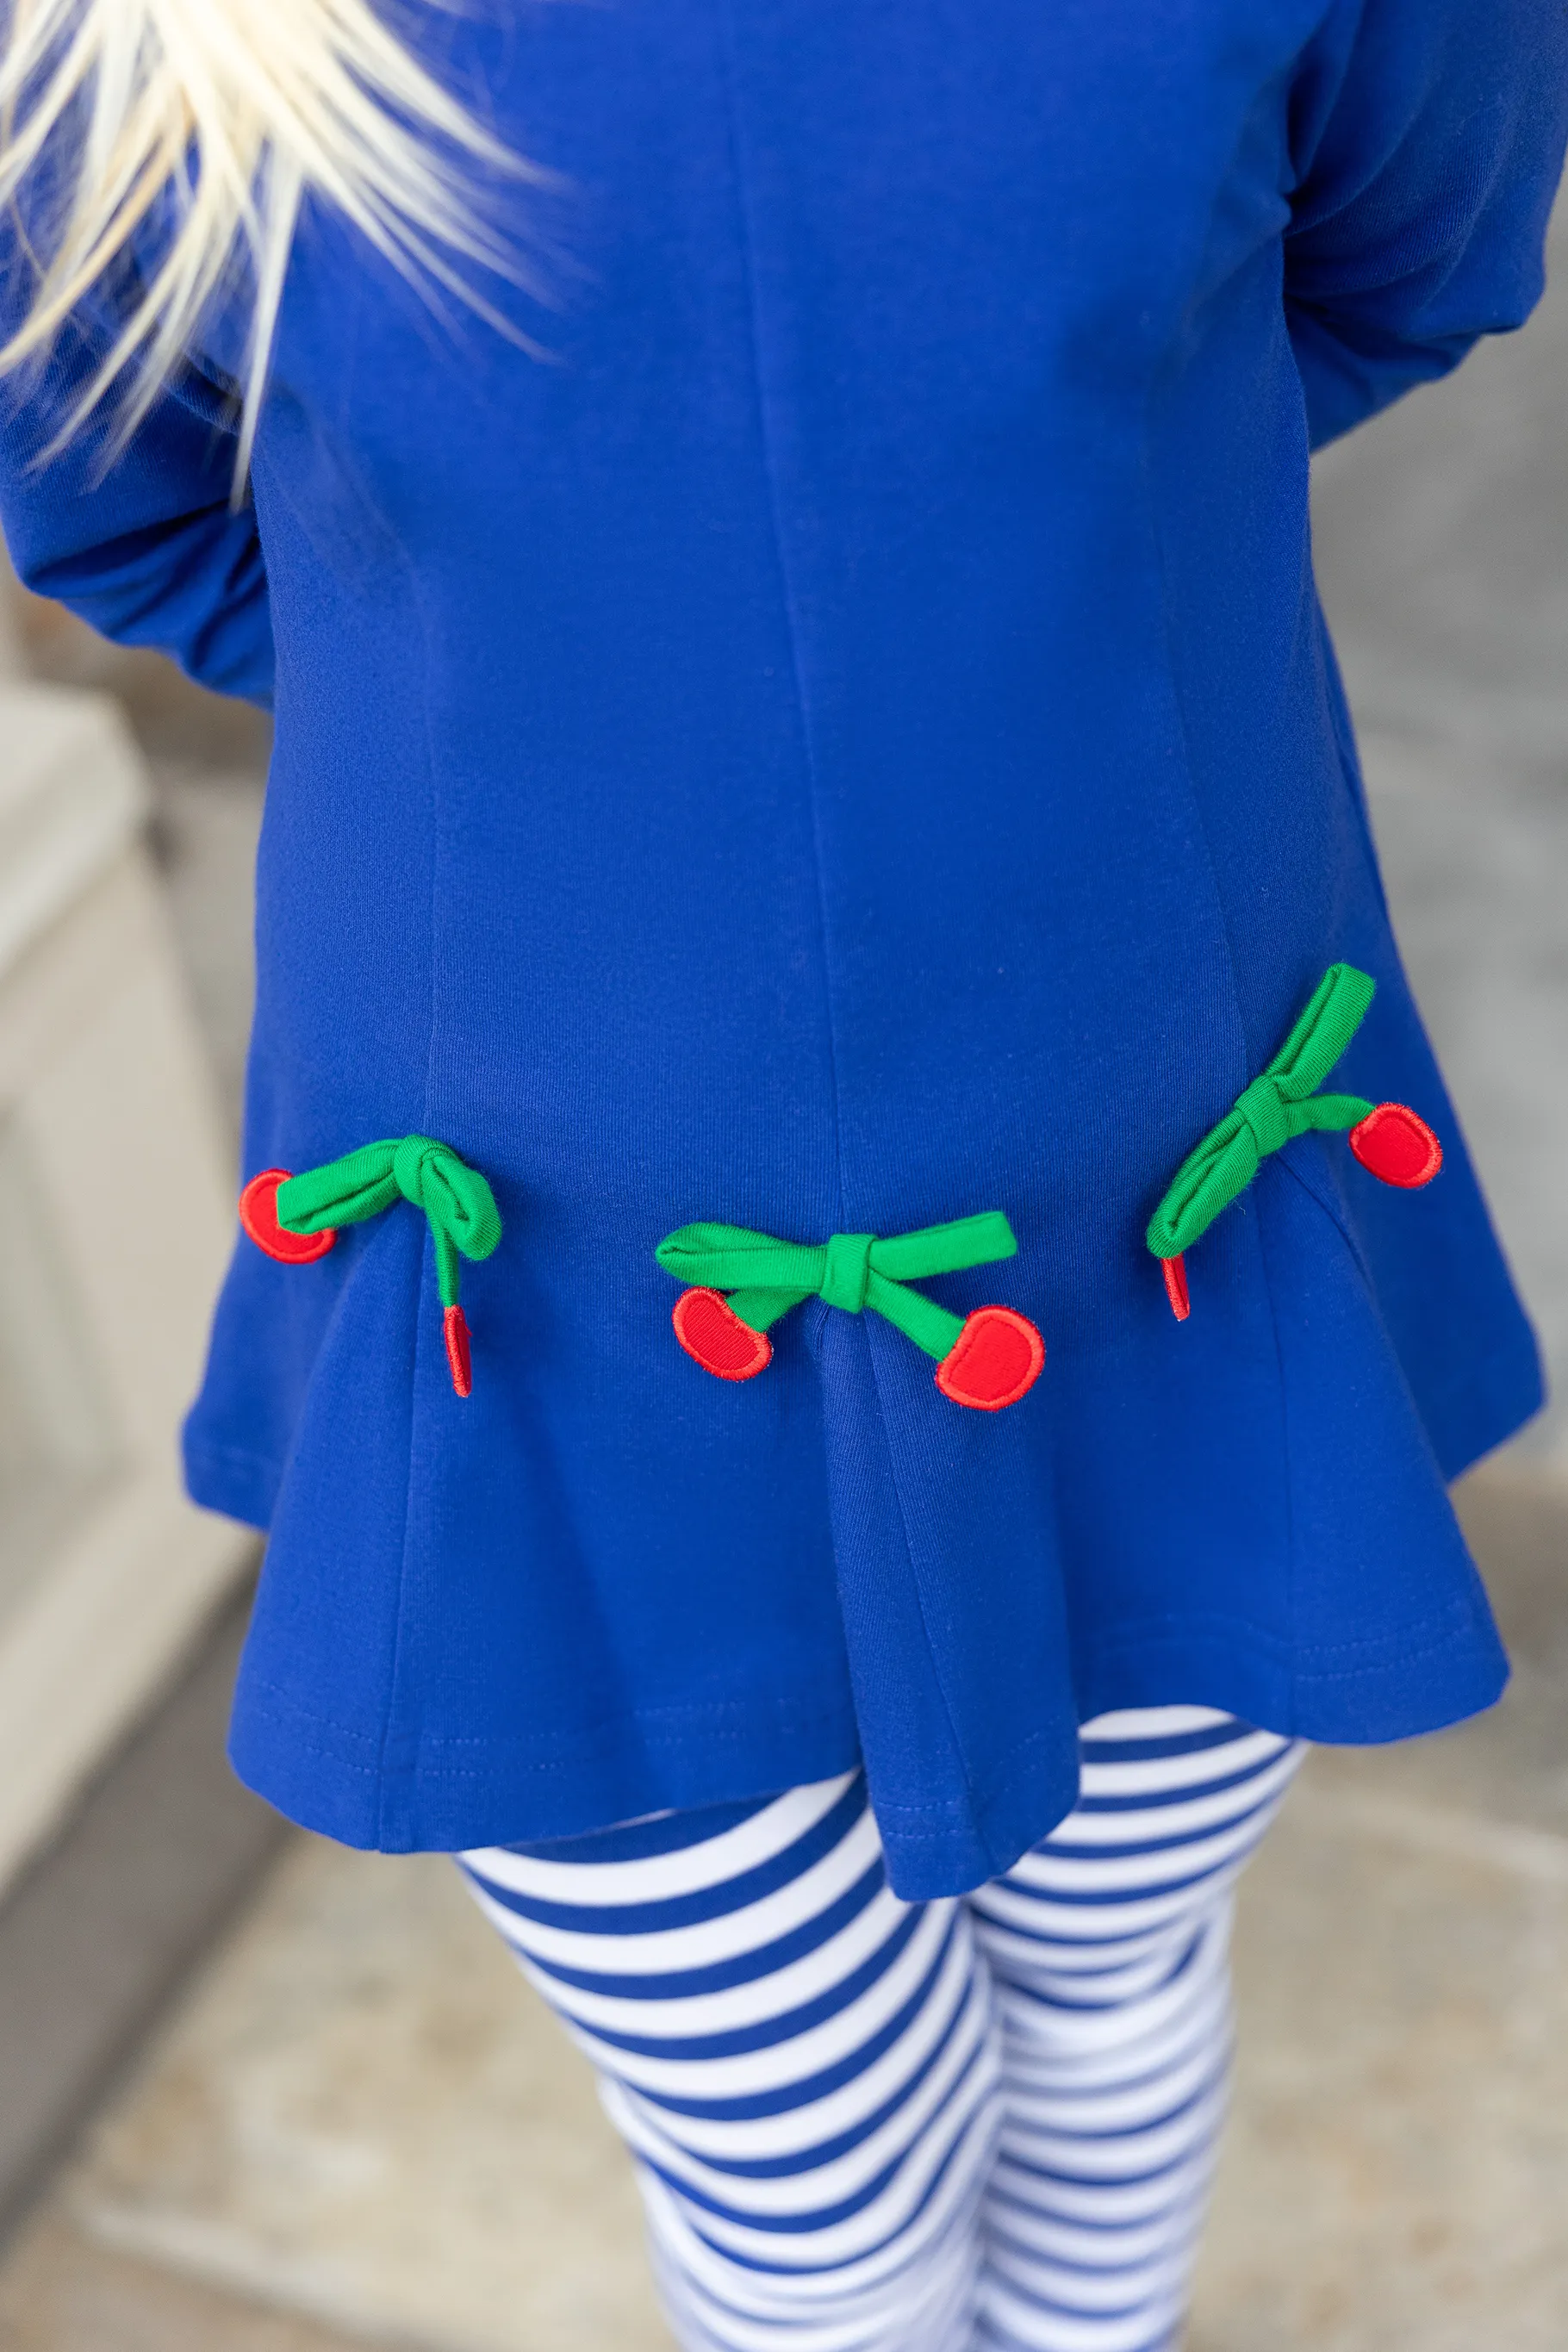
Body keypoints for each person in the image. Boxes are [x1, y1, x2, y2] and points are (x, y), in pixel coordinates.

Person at [1, 2, 1563, 2343]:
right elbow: (118, 499)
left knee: (1117, 1984)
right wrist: (551, 670)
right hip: (547, 1315)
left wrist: (1028, 541)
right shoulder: (140, 50)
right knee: (798, 2169)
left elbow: (1392, 260)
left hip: (1146, 1245)